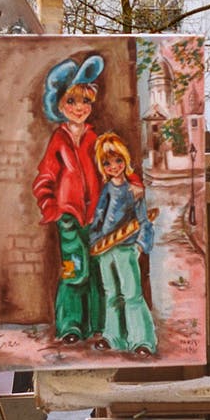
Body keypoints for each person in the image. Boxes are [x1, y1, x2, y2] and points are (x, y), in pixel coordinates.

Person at [33, 55, 108, 345]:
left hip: (98, 217)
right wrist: (51, 206)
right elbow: (45, 176)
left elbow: (107, 172)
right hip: (68, 216)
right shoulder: (59, 140)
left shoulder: (95, 138)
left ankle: (96, 326)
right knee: (74, 270)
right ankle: (70, 325)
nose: (80, 109)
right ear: (60, 106)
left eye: (85, 103)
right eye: (72, 102)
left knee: (97, 270)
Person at [89, 132, 156, 356]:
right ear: (102, 166)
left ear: (125, 160)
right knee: (111, 293)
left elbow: (145, 221)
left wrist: (140, 246)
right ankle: (113, 337)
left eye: (118, 160)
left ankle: (141, 340)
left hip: (126, 247)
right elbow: (99, 217)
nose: (114, 166)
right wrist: (95, 242)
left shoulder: (134, 191)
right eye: (108, 162)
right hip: (105, 250)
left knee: (132, 294)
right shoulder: (106, 191)